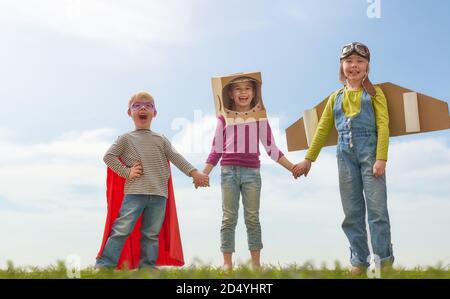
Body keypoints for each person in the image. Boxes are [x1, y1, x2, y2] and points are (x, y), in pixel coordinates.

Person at [293, 42, 394, 274]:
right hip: (344, 156)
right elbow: (322, 129)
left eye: (360, 62)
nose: (354, 66)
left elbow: (383, 125)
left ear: (367, 66)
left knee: (377, 211)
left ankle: (383, 262)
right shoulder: (335, 97)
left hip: (371, 155)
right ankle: (359, 260)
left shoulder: (375, 94)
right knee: (352, 211)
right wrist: (309, 159)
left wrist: (381, 158)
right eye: (349, 62)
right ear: (342, 66)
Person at [96, 91, 209, 269]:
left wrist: (194, 173)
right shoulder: (125, 139)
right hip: (134, 193)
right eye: (137, 105)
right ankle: (104, 265)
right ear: (129, 113)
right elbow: (108, 157)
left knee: (151, 234)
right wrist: (126, 172)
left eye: (148, 106)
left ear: (154, 113)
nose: (142, 108)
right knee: (121, 230)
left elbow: (176, 157)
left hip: (159, 195)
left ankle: (147, 268)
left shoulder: (161, 139)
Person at [203, 77, 296, 270]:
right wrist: (204, 173)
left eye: (247, 89)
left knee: (252, 217)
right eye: (238, 89)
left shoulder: (260, 118)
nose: (243, 92)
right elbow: (216, 149)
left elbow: (271, 149)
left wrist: (292, 167)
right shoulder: (223, 118)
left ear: (254, 93)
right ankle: (227, 263)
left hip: (252, 173)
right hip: (228, 171)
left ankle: (256, 264)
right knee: (229, 217)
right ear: (230, 93)